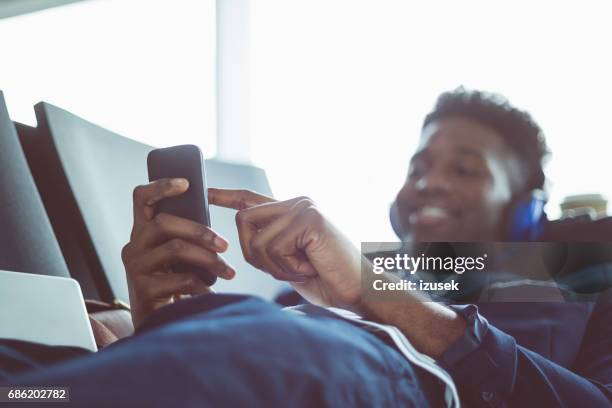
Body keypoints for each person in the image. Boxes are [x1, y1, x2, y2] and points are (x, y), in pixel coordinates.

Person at [4, 89, 611, 407]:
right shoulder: (369, 271)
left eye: (466, 169)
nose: (430, 181)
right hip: (250, 362)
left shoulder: (588, 278)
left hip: (355, 370)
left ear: (528, 202)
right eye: (420, 164)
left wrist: (373, 294)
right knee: (35, 369)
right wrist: (150, 316)